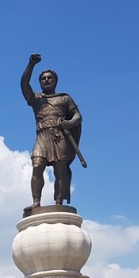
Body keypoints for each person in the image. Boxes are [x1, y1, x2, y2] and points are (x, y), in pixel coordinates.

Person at [21, 53, 82, 206]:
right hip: (42, 136)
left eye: (50, 78)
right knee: (37, 166)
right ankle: (36, 202)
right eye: (43, 78)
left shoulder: (64, 98)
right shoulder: (36, 99)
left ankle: (59, 202)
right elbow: (23, 84)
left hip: (60, 136)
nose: (46, 80)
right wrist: (31, 64)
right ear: (40, 82)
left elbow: (78, 116)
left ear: (55, 81)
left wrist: (70, 123)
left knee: (60, 171)